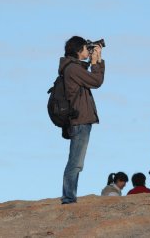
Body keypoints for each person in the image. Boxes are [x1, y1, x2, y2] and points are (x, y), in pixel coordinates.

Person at [60, 36, 105, 204]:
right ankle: (68, 198)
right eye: (87, 48)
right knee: (75, 162)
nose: (89, 51)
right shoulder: (72, 69)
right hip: (79, 121)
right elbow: (96, 81)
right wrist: (95, 62)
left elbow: (93, 79)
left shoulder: (72, 67)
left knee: (76, 161)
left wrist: (97, 60)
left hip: (80, 120)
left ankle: (69, 196)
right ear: (79, 51)